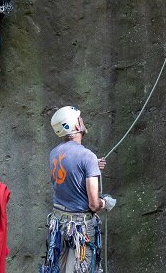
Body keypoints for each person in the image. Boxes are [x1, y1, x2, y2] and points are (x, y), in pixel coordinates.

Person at [40, 107, 116, 273]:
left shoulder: (54, 153)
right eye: (79, 119)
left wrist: (92, 166)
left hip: (58, 224)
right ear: (75, 126)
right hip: (80, 227)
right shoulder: (86, 156)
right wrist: (106, 202)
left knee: (56, 269)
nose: (82, 121)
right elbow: (94, 204)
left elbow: (70, 172)